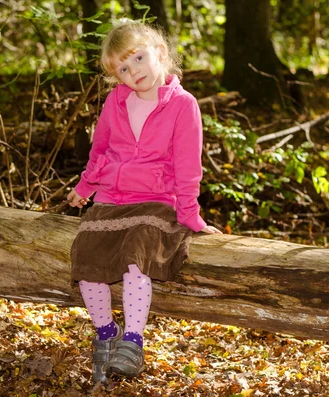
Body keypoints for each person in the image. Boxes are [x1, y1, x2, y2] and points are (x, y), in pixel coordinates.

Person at [67, 20, 222, 385]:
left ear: (160, 53)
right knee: (86, 260)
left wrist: (190, 217)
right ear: (114, 77)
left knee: (137, 260)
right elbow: (100, 150)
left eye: (138, 57)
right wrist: (86, 186)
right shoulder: (115, 102)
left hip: (154, 202)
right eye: (122, 67)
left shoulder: (183, 105)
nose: (133, 70)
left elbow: (188, 169)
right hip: (110, 198)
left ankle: (133, 342)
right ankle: (106, 332)